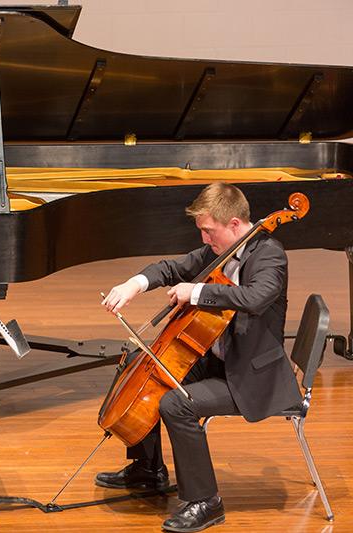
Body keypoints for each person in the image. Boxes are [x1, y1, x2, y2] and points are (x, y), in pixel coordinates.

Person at [98, 182, 302, 532]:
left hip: (251, 377)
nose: (205, 240)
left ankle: (206, 501)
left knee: (177, 404)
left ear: (235, 225)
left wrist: (198, 291)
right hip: (220, 360)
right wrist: (133, 284)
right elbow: (171, 267)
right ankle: (149, 469)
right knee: (143, 364)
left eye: (210, 231)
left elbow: (254, 298)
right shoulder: (219, 251)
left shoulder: (270, 255)